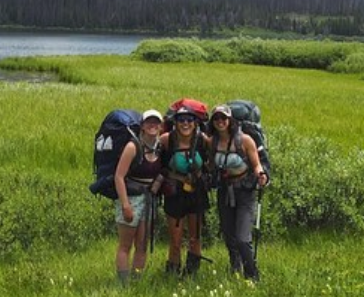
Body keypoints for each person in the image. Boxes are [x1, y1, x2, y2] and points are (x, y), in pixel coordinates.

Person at [208, 104, 269, 282]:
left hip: (244, 191)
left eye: (223, 118)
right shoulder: (212, 142)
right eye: (217, 118)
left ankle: (252, 275)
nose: (220, 122)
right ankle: (235, 268)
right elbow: (211, 164)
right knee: (229, 236)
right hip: (224, 191)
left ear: (230, 120)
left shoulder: (245, 140)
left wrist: (261, 175)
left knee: (243, 238)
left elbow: (256, 164)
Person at [157, 106, 212, 277]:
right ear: (175, 122)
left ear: (196, 123)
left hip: (197, 192)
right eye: (181, 120)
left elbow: (213, 161)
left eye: (189, 120)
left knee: (195, 236)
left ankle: (191, 274)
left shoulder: (203, 140)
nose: (185, 123)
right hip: (175, 193)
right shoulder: (167, 140)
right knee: (175, 239)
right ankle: (173, 273)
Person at [113, 108, 164, 286]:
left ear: (161, 126)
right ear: (142, 126)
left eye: (156, 122)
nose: (152, 125)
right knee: (125, 245)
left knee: (142, 245)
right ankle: (123, 284)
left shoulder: (159, 146)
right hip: (131, 198)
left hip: (149, 200)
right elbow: (119, 176)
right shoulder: (132, 146)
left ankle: (136, 283)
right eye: (149, 122)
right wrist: (125, 205)